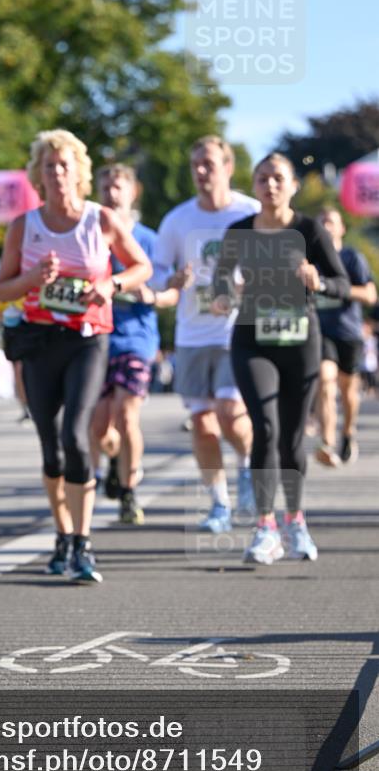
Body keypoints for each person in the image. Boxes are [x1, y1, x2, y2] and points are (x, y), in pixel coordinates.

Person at [0, 130, 152, 583]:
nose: (58, 173)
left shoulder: (99, 219)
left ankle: (83, 542)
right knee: (50, 443)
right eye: (49, 166)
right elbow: (1, 290)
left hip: (87, 339)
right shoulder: (24, 226)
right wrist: (31, 278)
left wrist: (112, 284)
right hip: (40, 340)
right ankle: (62, 535)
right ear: (38, 175)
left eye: (65, 166)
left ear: (79, 173)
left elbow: (142, 266)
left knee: (76, 434)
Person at [212, 153, 350, 565]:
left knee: (291, 437)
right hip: (252, 340)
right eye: (262, 179)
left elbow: (343, 284)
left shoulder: (309, 230)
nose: (269, 185)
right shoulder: (238, 231)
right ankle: (265, 528)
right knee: (265, 428)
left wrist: (318, 280)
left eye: (278, 178)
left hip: (301, 340)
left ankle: (296, 520)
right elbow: (220, 281)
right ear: (253, 186)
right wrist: (223, 296)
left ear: (292, 186)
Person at [154, 136, 260, 533]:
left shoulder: (250, 212)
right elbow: (158, 273)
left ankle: (248, 466)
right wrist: (173, 281)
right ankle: (218, 502)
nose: (201, 171)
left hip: (238, 332)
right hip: (192, 334)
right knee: (202, 423)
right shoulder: (178, 220)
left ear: (228, 167)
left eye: (209, 164)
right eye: (196, 164)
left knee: (231, 415)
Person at [89, 164, 178, 525]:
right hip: (96, 337)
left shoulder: (150, 240)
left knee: (127, 415)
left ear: (133, 191)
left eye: (119, 186)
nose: (112, 192)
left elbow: (172, 292)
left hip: (136, 340)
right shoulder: (89, 232)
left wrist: (151, 295)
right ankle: (114, 460)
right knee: (99, 427)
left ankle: (128, 491)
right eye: (106, 186)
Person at [314, 208, 376, 466]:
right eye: (321, 223)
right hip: (319, 331)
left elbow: (371, 295)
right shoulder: (309, 259)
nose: (326, 227)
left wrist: (336, 287)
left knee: (348, 390)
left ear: (341, 229)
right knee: (324, 379)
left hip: (348, 332)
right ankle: (327, 441)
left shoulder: (352, 258)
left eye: (331, 222)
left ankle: (348, 432)